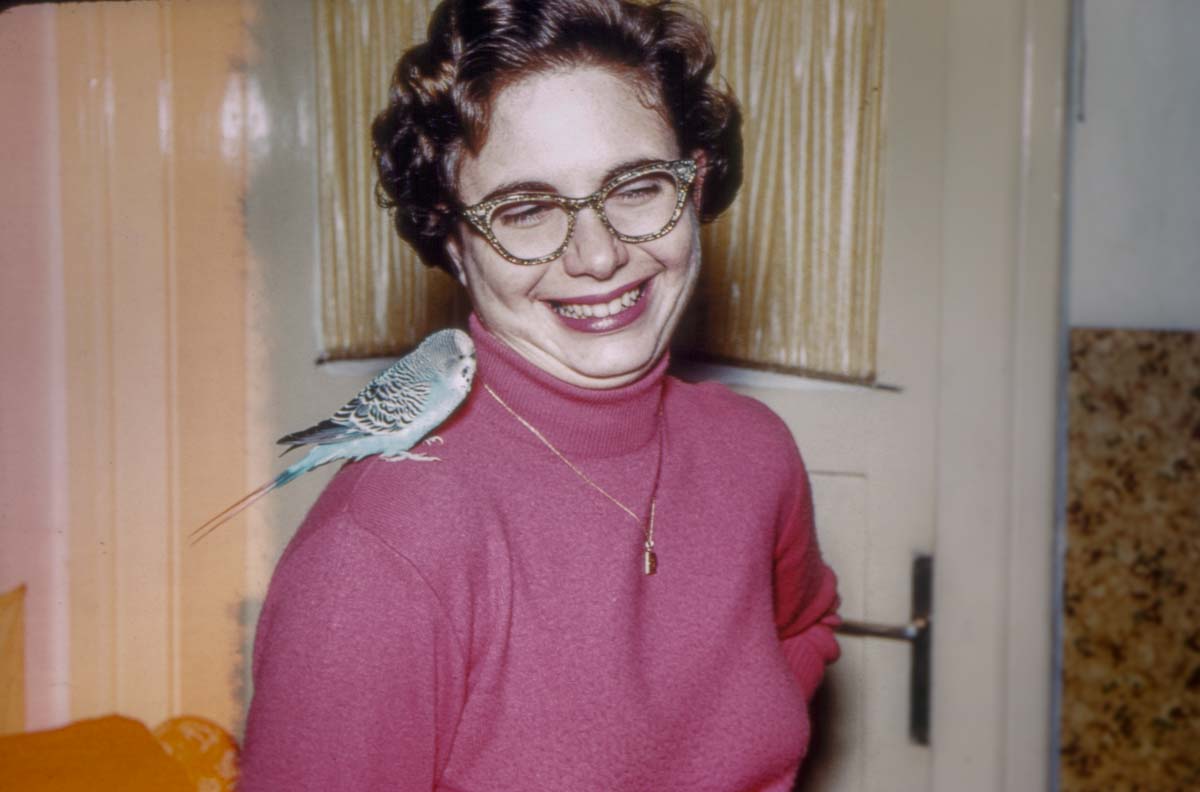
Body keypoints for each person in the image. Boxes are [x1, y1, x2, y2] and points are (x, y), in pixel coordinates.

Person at [238, 0, 839, 789]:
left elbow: (805, 629)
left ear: (692, 189)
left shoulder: (754, 450)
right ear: (454, 243)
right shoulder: (376, 558)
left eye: (636, 186)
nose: (597, 255)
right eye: (524, 210)